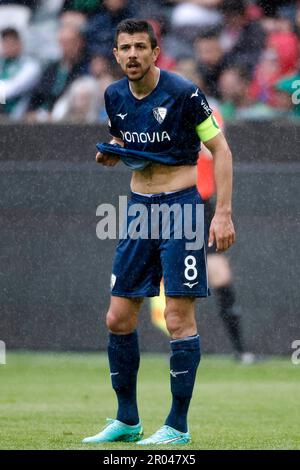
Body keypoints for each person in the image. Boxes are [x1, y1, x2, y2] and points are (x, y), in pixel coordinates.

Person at [83, 18, 235, 446]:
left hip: (182, 209)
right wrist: (115, 154)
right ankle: (127, 420)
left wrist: (221, 213)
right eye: (124, 48)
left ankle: (177, 426)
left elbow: (220, 149)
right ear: (115, 54)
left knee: (177, 318)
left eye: (139, 47)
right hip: (137, 211)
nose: (131, 55)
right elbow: (128, 138)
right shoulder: (113, 96)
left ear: (155, 52)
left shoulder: (183, 93)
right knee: (117, 317)